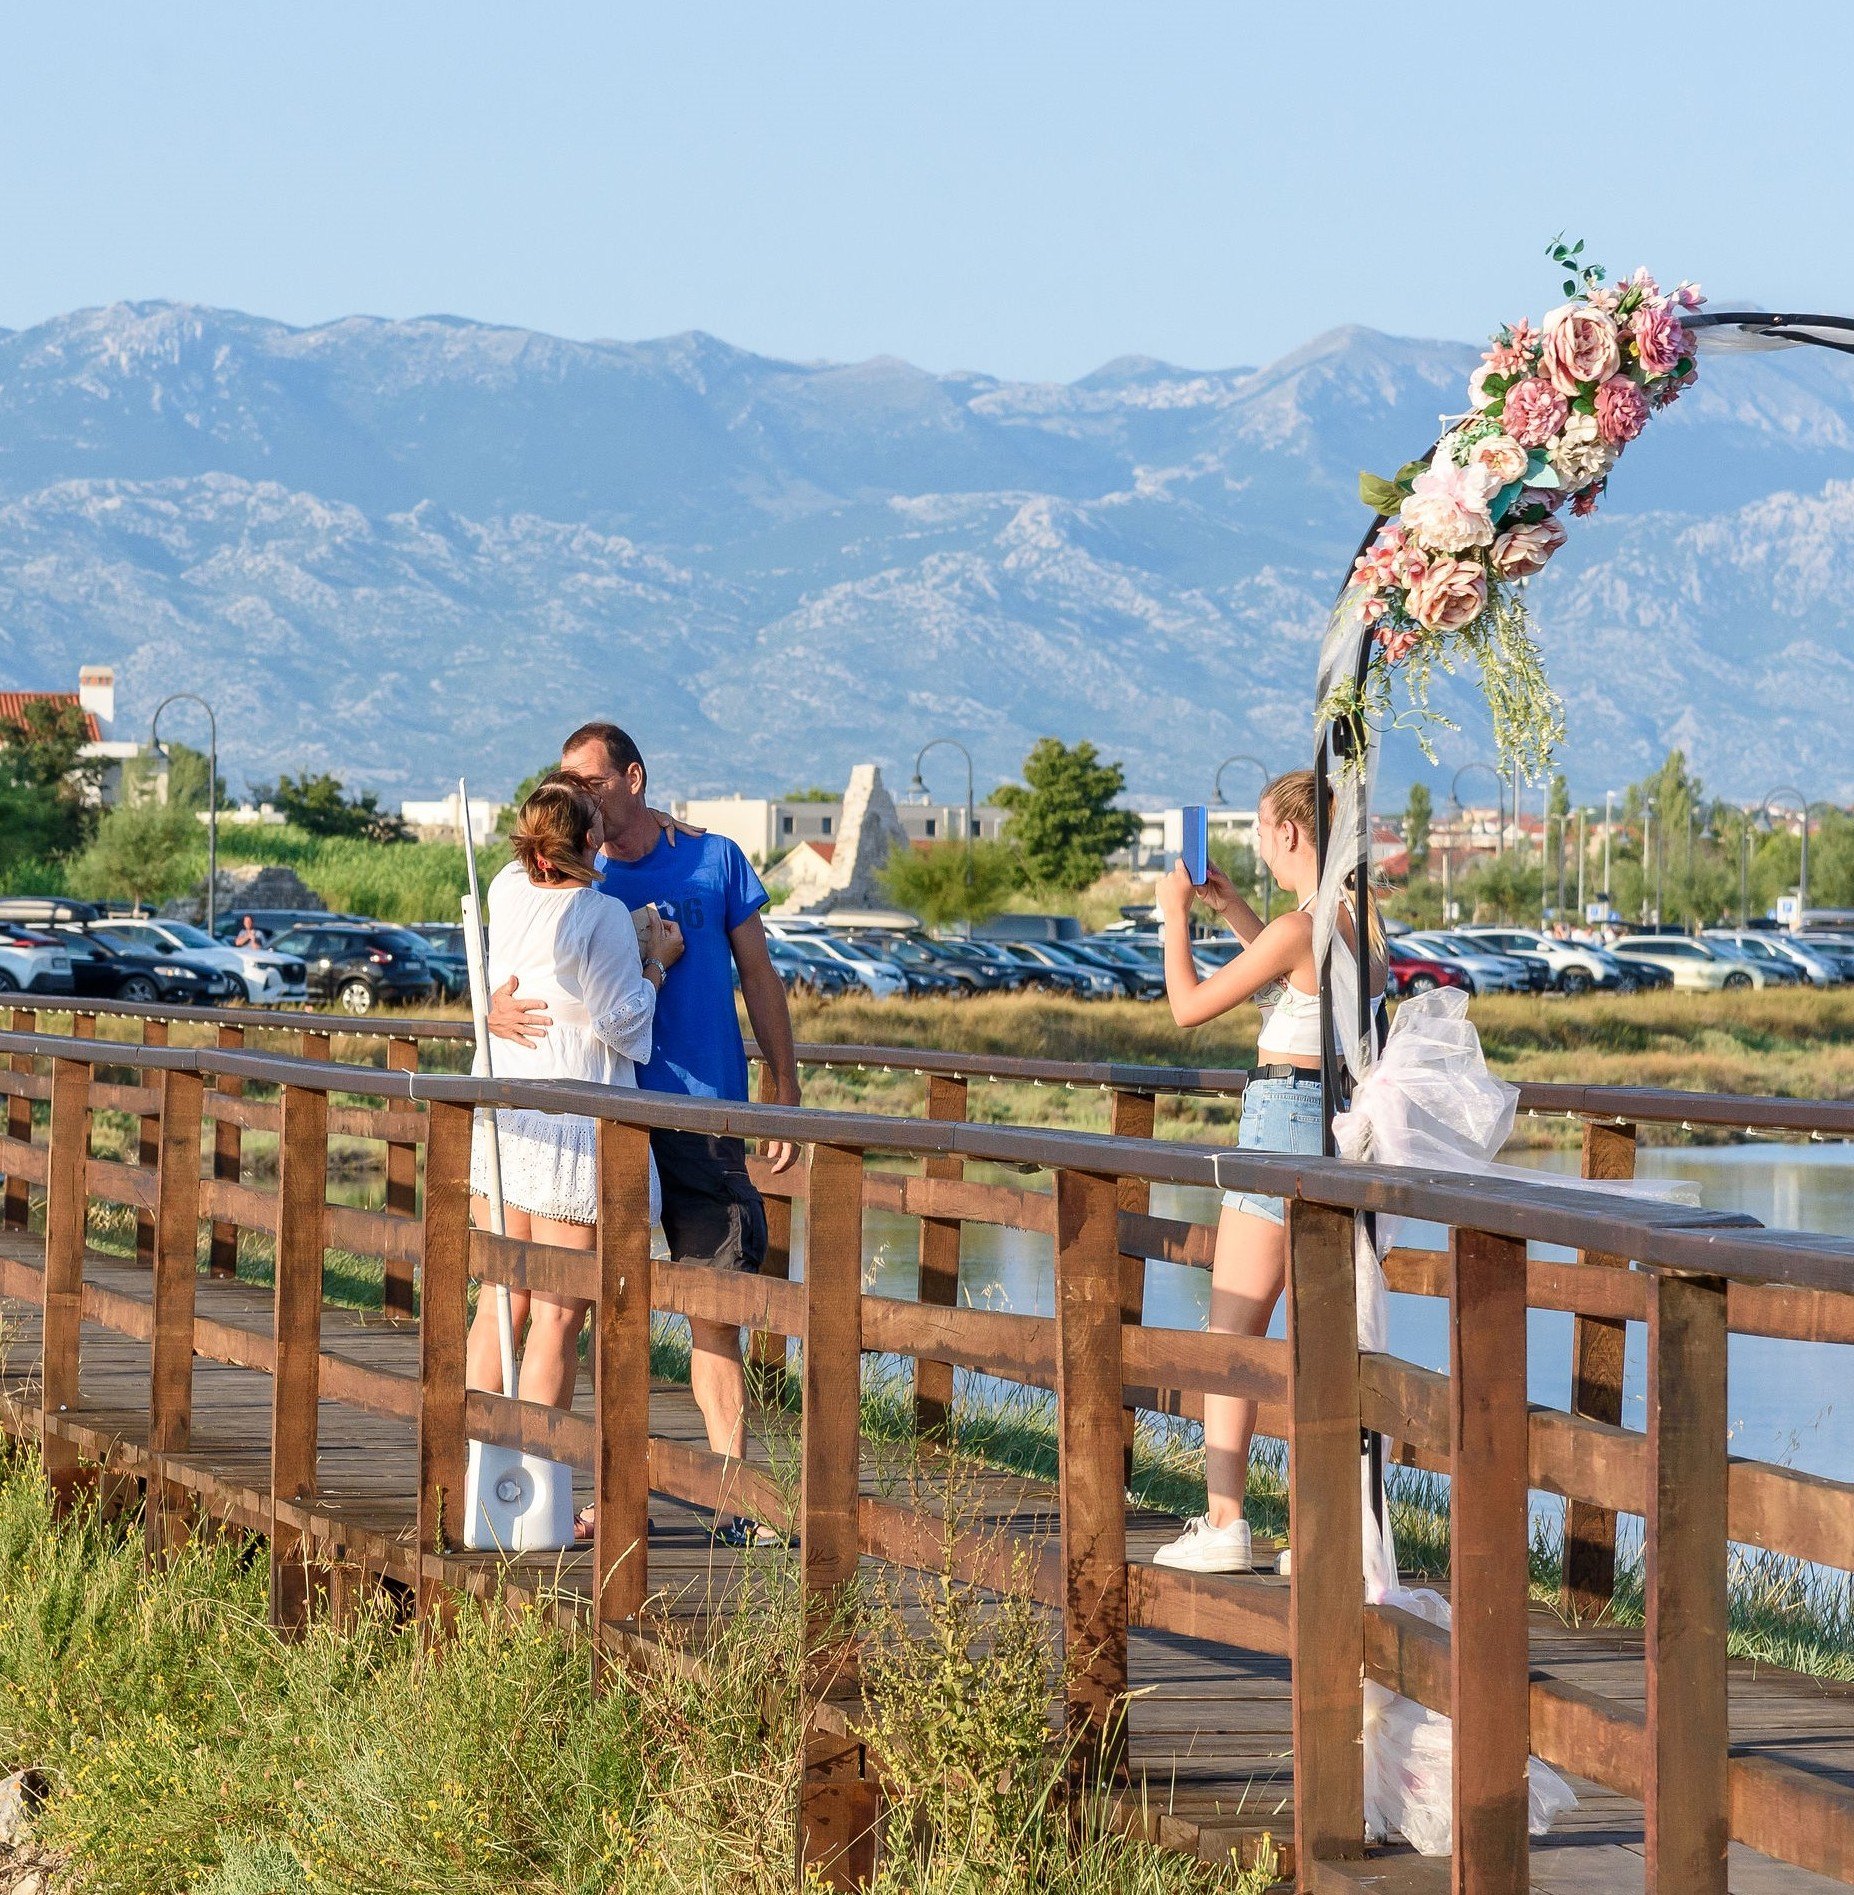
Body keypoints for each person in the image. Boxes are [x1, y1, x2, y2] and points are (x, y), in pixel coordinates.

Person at [489, 722, 802, 1547]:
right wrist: (489, 1008)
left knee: (713, 1307)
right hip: (603, 1121)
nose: (578, 792)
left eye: (591, 779)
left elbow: (759, 972)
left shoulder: (714, 858)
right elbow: (511, 962)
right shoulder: (569, 863)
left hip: (703, 1113)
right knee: (588, 1312)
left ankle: (736, 1499)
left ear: (633, 777)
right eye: (568, 780)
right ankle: (595, 1494)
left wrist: (784, 1079)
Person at [1150, 768, 1383, 1574]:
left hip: (1280, 1119)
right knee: (1320, 1336)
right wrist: (1230, 908)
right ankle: (1324, 1531)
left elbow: (1187, 1006)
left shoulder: (1299, 926)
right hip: (1333, 1125)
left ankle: (1224, 1522)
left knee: (1232, 1332)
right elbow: (1297, 977)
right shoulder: (1356, 921)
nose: (1256, 846)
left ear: (1289, 832)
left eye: (1259, 831)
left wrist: (1174, 915)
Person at [466, 774, 684, 1540]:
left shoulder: (504, 887)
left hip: (506, 1121)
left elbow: (525, 977)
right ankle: (535, 1499)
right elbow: (622, 1024)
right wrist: (656, 959)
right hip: (570, 1131)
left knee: (503, 1298)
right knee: (559, 1312)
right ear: (590, 839)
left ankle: (473, 1478)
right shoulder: (597, 915)